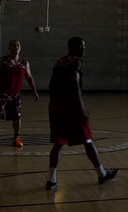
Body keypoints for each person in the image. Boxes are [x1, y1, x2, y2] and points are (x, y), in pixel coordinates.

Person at [45, 37, 118, 191]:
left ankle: (51, 180)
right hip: (70, 106)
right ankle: (101, 173)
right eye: (80, 46)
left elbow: (51, 85)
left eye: (84, 46)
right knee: (88, 140)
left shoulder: (60, 62)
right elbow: (74, 86)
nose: (83, 49)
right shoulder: (76, 62)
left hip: (55, 105)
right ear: (71, 46)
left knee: (58, 144)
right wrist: (82, 109)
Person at [0, 39, 39, 148]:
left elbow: (29, 77)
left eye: (18, 45)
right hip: (2, 93)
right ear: (9, 47)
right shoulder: (2, 61)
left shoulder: (24, 63)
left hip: (16, 95)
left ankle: (16, 138)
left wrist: (34, 91)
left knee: (17, 116)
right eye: (13, 45)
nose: (16, 47)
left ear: (20, 48)